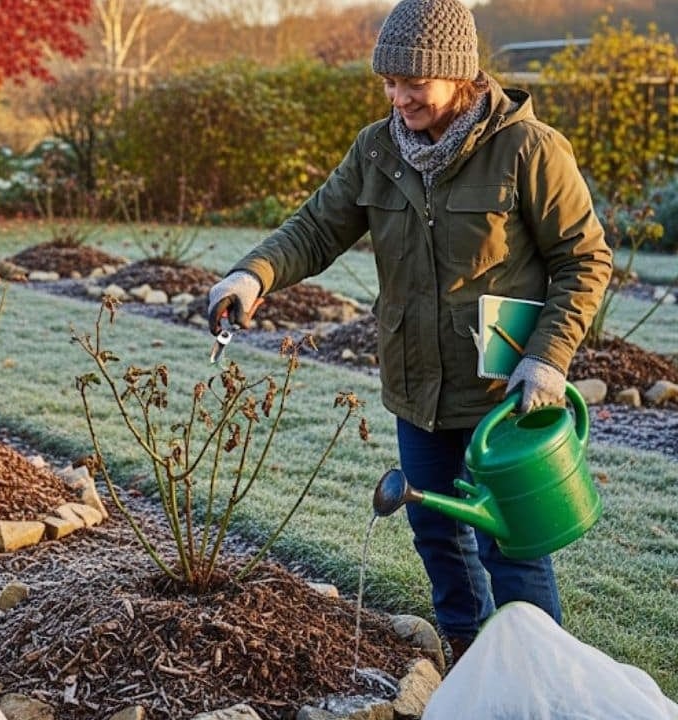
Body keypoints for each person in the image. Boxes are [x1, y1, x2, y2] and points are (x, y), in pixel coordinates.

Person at [206, 0, 612, 663]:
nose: (399, 98)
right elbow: (315, 229)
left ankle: (542, 681)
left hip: (503, 391)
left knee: (510, 545)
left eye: (413, 83)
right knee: (435, 530)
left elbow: (584, 259)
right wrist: (250, 276)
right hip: (417, 387)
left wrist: (549, 357)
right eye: (389, 83)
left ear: (457, 75)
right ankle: (469, 660)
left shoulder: (527, 149)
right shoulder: (376, 150)